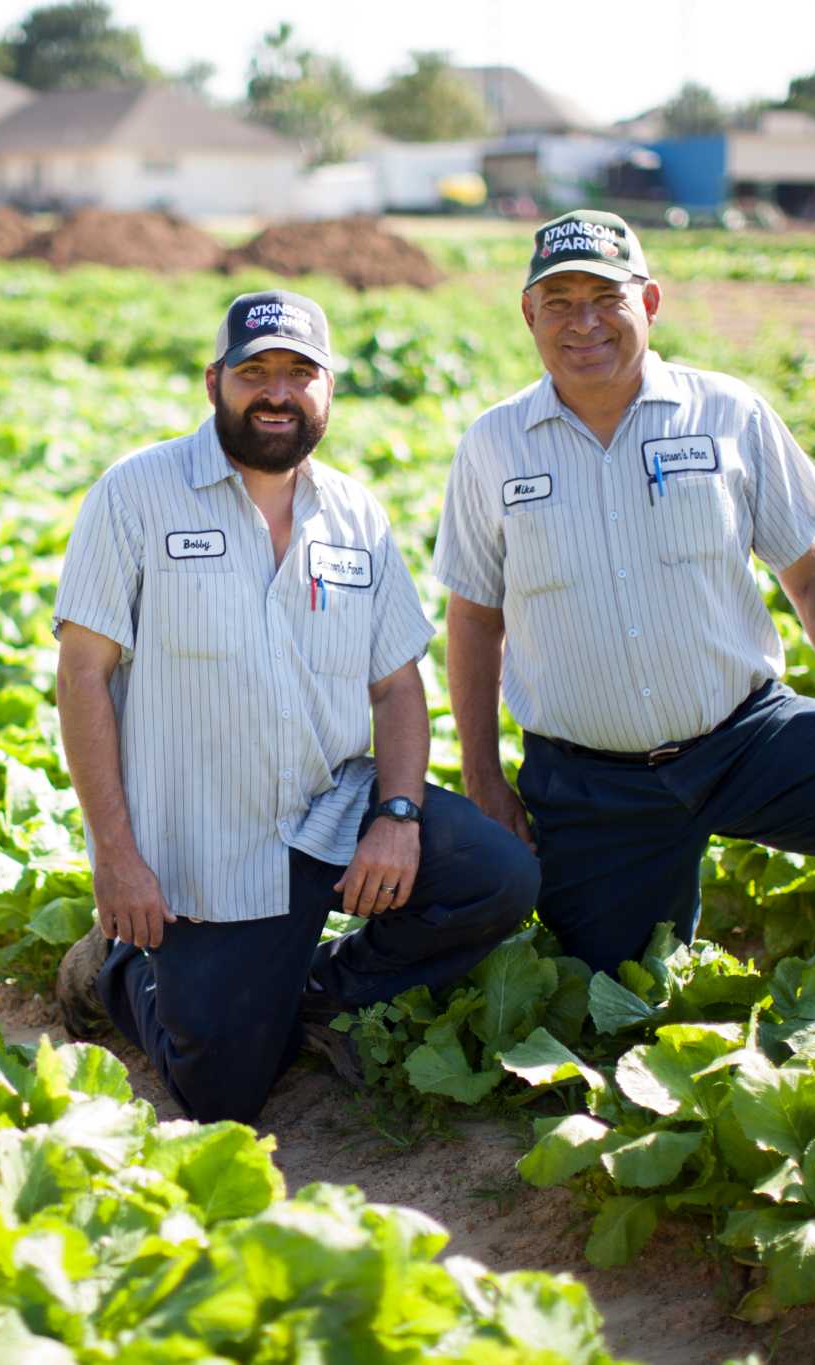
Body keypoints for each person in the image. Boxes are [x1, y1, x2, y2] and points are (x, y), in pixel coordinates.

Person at [434, 211, 815, 1021]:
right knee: (608, 1007)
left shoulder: (728, 413)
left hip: (746, 739)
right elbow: (475, 619)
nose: (582, 322)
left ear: (649, 301)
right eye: (558, 302)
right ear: (529, 315)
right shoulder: (494, 445)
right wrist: (483, 777)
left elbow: (811, 567)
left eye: (605, 297)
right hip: (590, 779)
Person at [51, 289, 543, 1125]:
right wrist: (118, 855)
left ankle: (316, 997)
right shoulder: (136, 494)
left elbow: (395, 687)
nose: (277, 391)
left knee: (499, 877)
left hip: (334, 807)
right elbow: (82, 678)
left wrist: (396, 814)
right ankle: (116, 969)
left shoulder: (356, 515)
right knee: (222, 1094)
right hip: (207, 842)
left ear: (328, 391)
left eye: (299, 372)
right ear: (215, 382)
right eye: (255, 371)